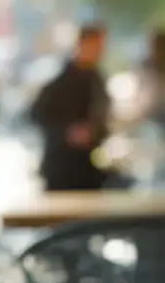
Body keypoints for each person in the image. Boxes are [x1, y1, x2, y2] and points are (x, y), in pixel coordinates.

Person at [30, 24, 111, 191]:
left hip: (89, 169)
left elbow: (102, 118)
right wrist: (67, 132)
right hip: (62, 168)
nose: (100, 51)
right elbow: (37, 115)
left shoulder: (96, 80)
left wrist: (96, 132)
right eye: (96, 46)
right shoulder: (61, 83)